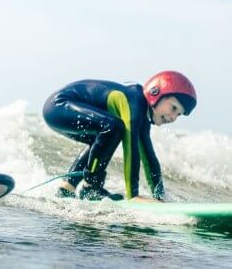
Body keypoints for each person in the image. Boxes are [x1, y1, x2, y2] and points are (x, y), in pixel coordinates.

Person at [42, 71, 197, 201]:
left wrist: (160, 198)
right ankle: (91, 187)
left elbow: (149, 159)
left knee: (104, 136)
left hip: (65, 111)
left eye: (179, 115)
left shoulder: (142, 118)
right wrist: (133, 196)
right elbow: (132, 152)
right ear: (155, 93)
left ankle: (66, 188)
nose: (173, 117)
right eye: (173, 108)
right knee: (113, 127)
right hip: (58, 106)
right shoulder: (134, 103)